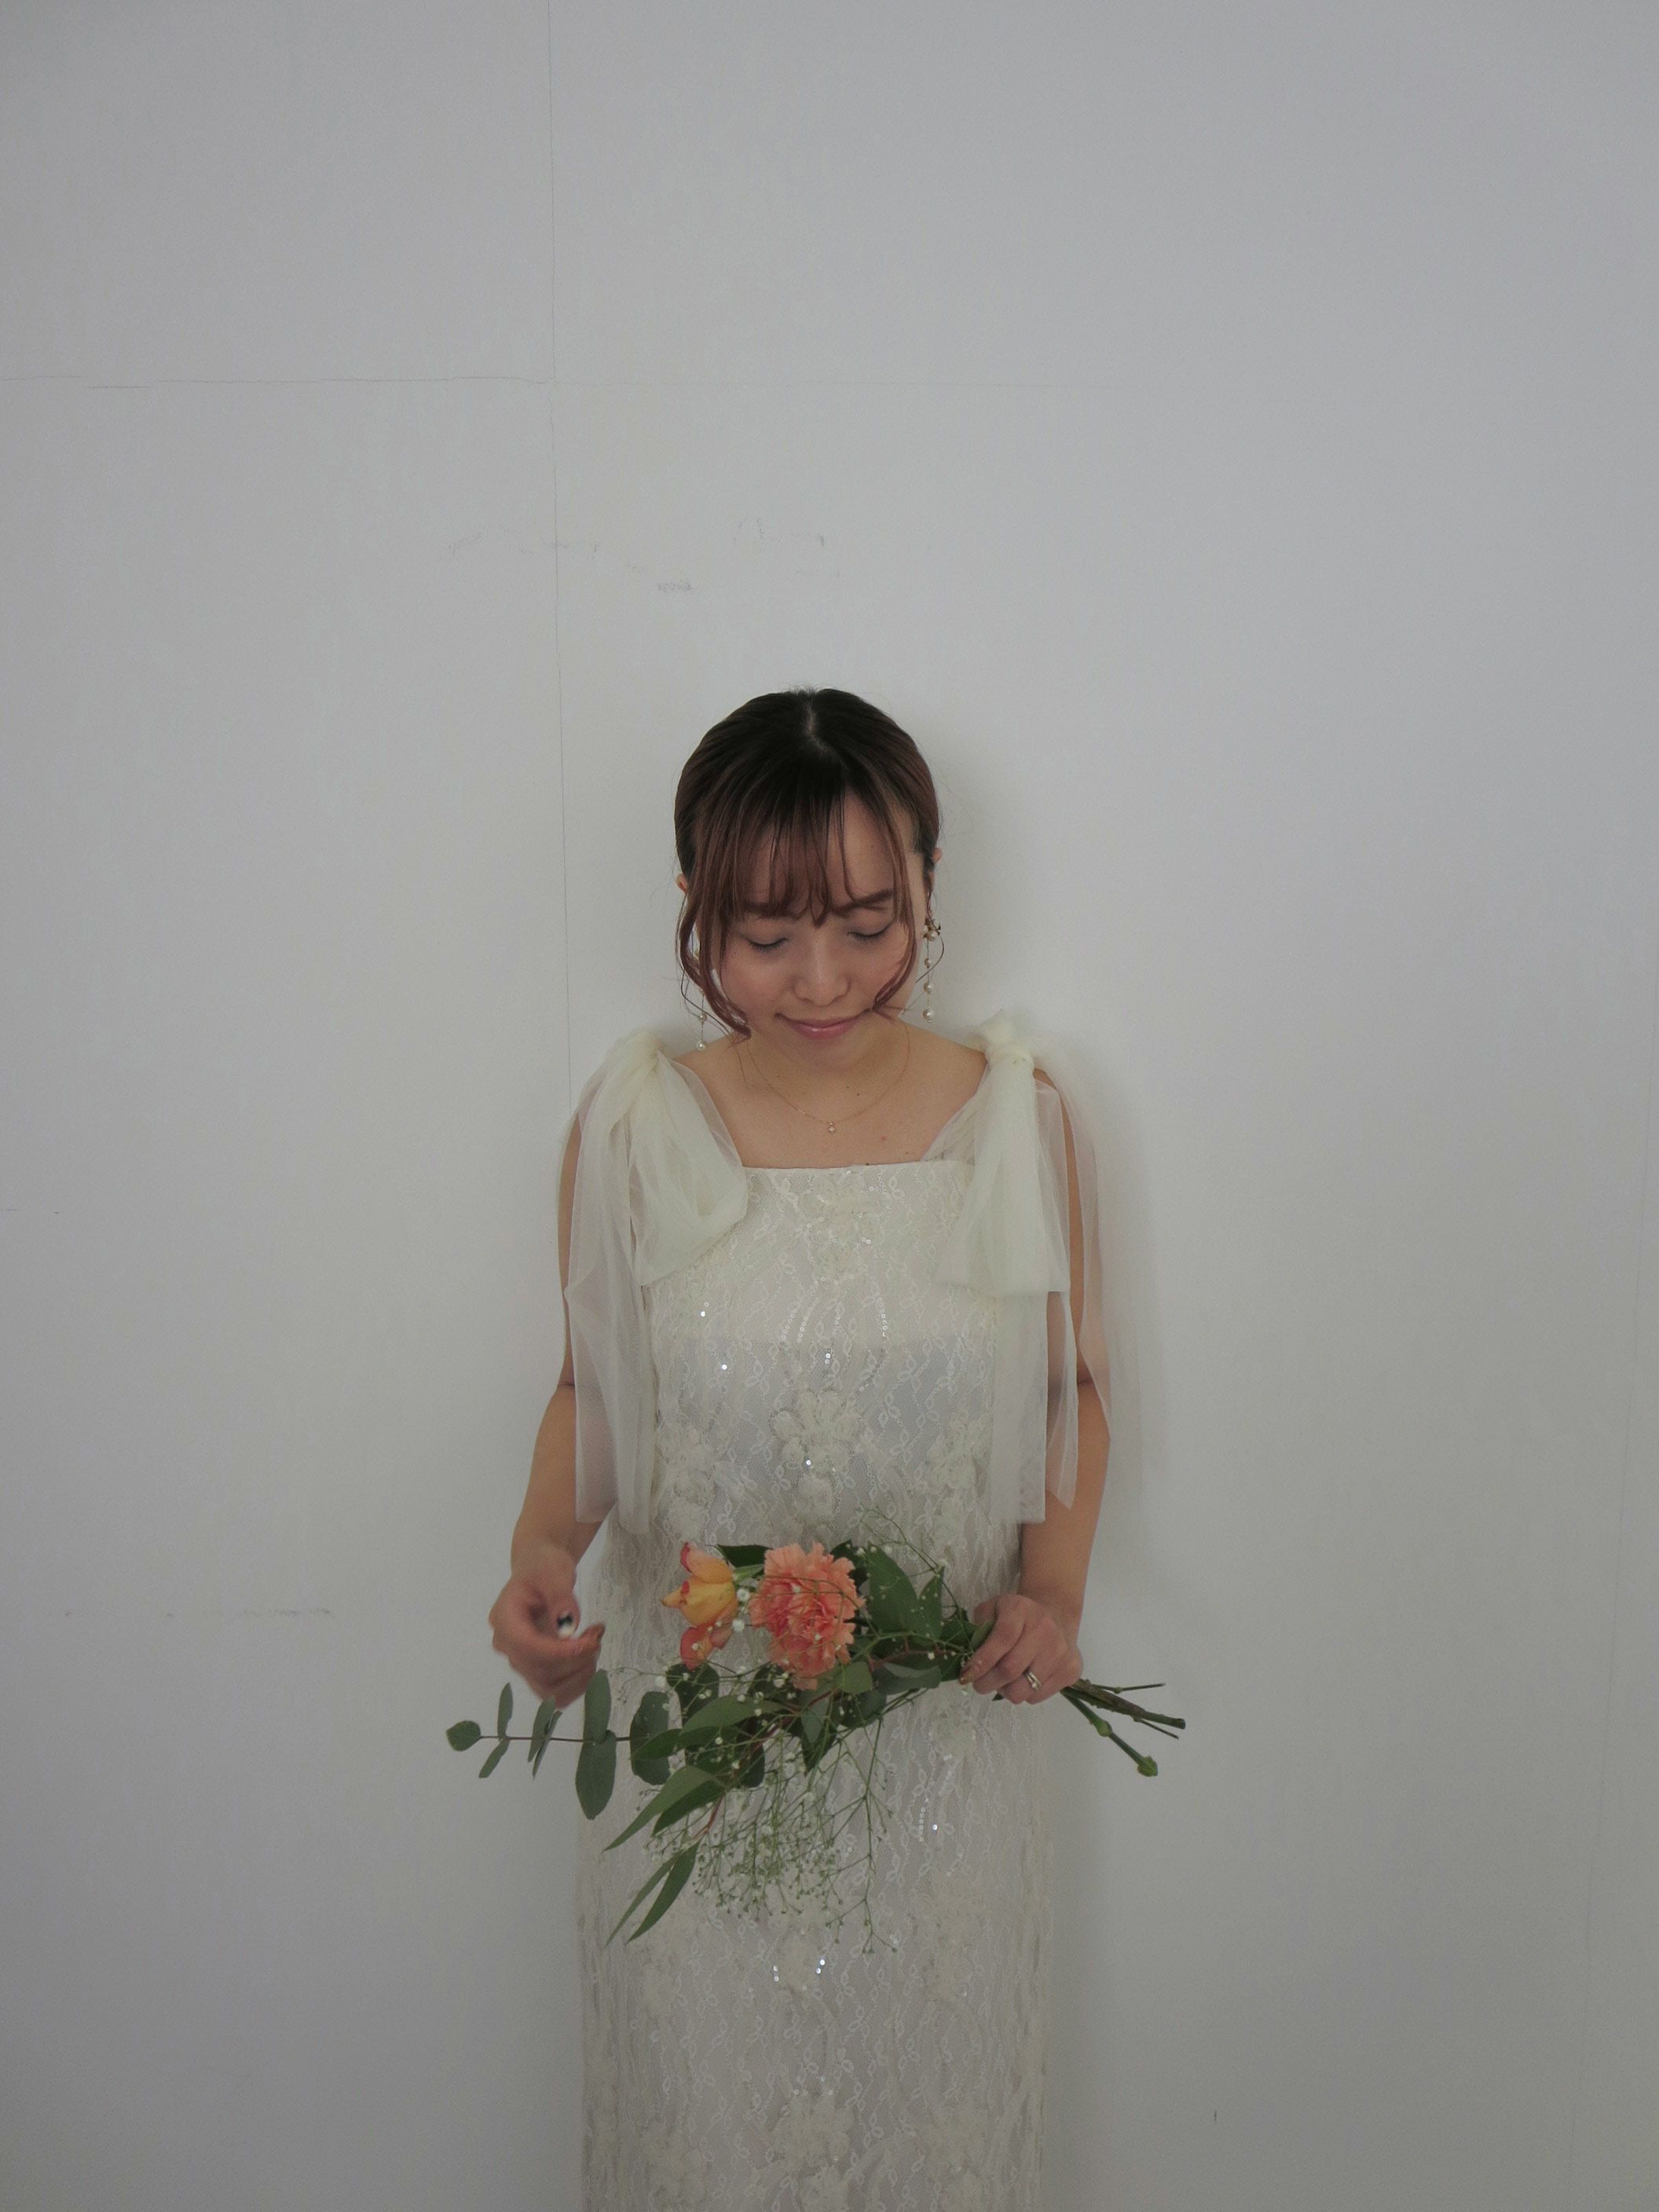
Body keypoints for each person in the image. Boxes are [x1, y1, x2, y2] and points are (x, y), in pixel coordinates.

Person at [489, 686, 1114, 2210]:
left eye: (868, 924)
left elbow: (1069, 1389)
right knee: (707, 2127)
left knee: (935, 2124)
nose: (823, 980)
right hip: (705, 1738)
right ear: (696, 908)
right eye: (766, 937)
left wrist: (1054, 1591)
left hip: (946, 1737)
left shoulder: (1015, 1120)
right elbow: (592, 1393)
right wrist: (539, 1554)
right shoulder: (636, 1129)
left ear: (928, 888)